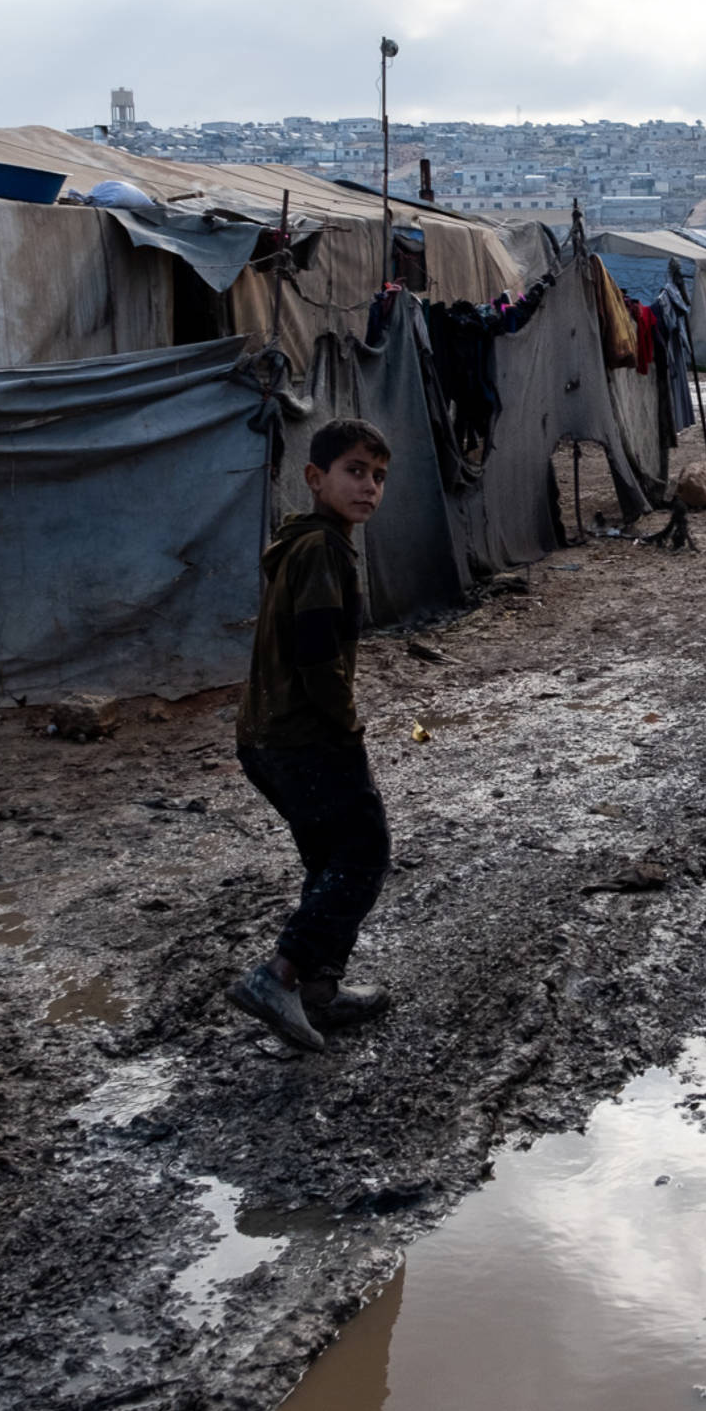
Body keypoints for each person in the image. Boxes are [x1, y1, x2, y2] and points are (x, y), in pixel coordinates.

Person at [225, 418, 396, 1051]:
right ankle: (281, 976)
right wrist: (346, 725)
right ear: (315, 478)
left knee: (330, 860)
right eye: (355, 471)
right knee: (363, 853)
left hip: (266, 734)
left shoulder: (303, 542)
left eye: (378, 476)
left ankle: (319, 994)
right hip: (305, 734)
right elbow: (317, 653)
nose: (369, 487)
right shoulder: (322, 548)